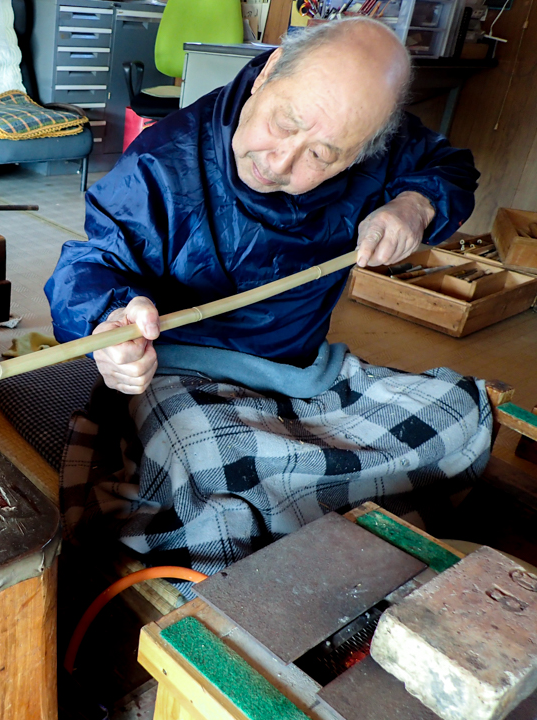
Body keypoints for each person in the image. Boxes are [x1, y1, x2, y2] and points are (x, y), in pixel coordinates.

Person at [45, 18, 492, 576]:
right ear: (270, 72)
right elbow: (90, 265)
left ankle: (314, 532)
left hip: (303, 375)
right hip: (184, 376)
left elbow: (448, 167)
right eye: (285, 123)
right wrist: (108, 321)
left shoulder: (374, 138)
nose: (280, 162)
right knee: (213, 471)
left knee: (458, 411)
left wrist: (413, 206)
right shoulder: (162, 162)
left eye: (322, 156)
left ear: (362, 151)